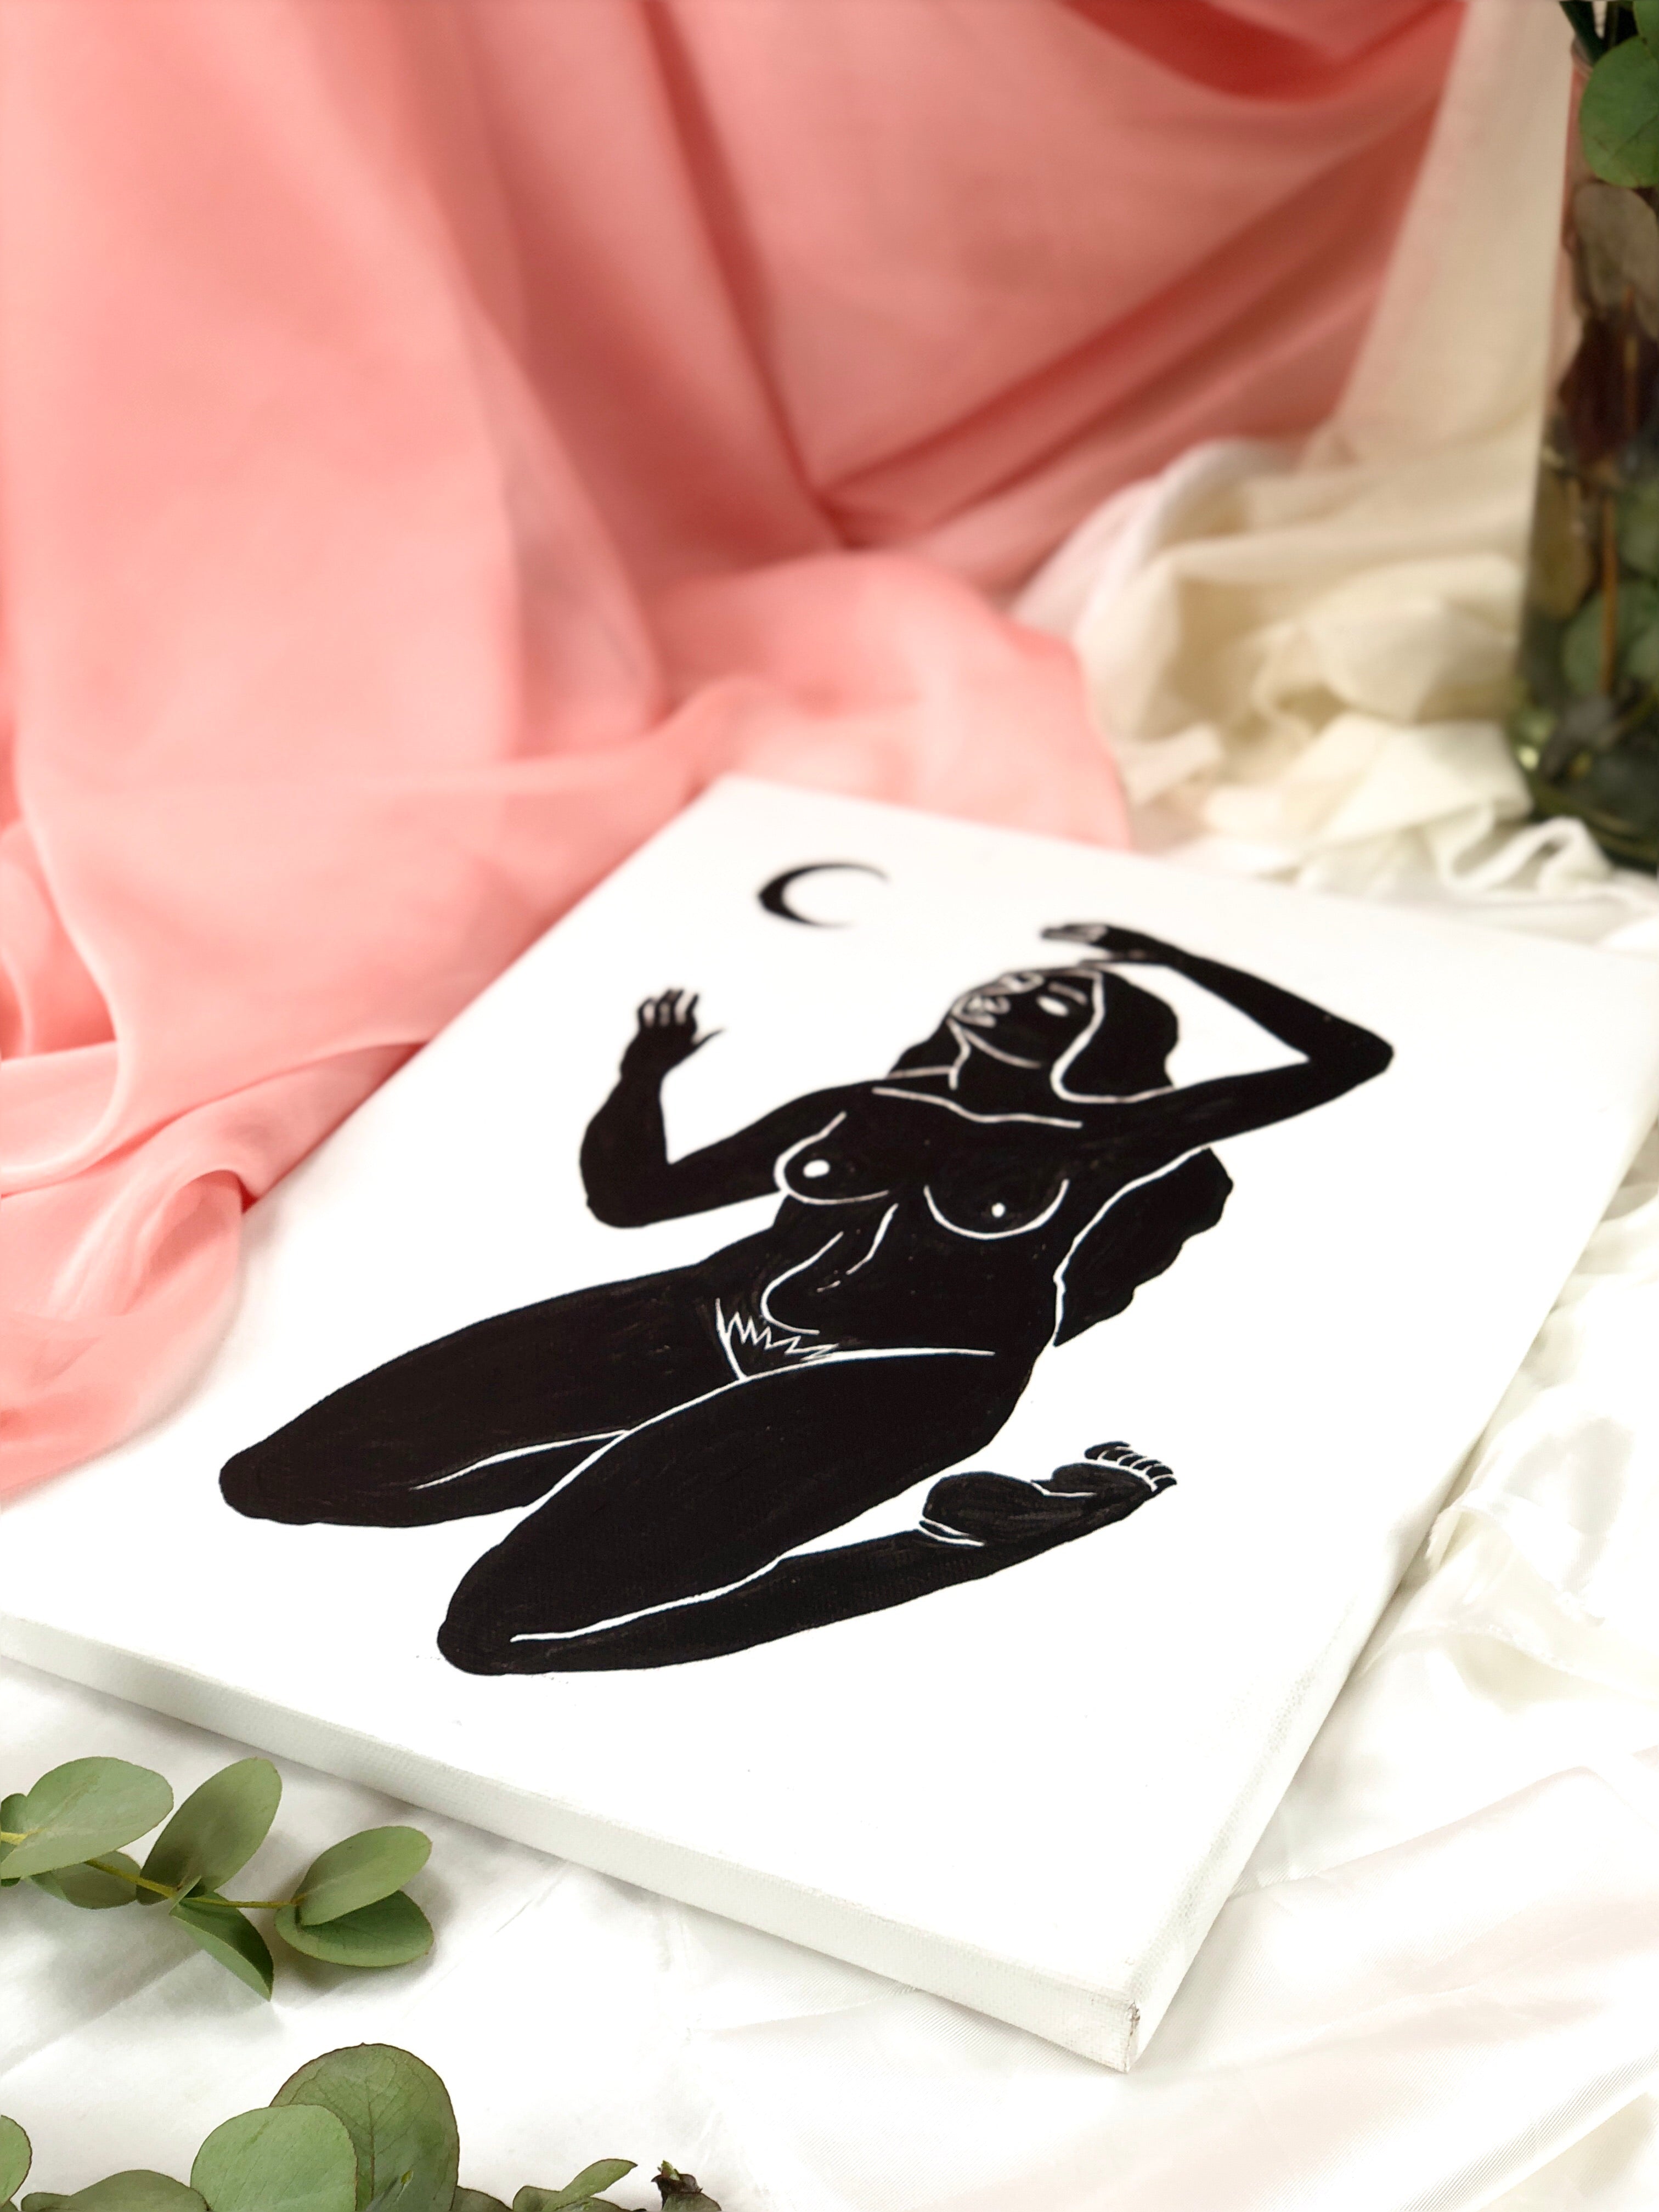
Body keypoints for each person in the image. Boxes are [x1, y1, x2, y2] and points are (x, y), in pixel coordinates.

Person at [221, 923, 1392, 1671]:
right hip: (706, 1322)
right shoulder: (859, 1107)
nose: (1011, 993)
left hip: (902, 1380)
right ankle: (610, 1463)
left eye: (1051, 1001)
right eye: (1013, 980)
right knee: (270, 1483)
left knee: (497, 1637)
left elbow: (1352, 1058)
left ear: (1102, 1042)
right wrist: (643, 1075)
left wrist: (1173, 957)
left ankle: (970, 1543)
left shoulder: (1113, 1138)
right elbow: (632, 1201)